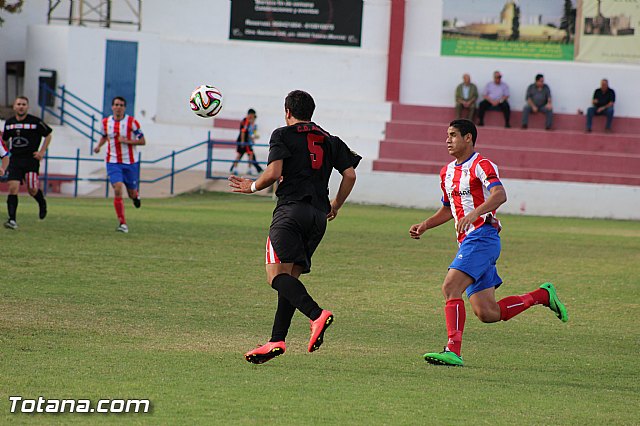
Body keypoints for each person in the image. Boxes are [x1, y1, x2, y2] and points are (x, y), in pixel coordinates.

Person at [409, 119, 568, 367]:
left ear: (468, 137)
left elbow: (500, 194)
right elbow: (448, 208)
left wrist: (475, 214)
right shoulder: (447, 172)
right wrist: (426, 225)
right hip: (468, 243)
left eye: (453, 135)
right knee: (488, 313)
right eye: (447, 135)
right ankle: (542, 296)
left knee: (450, 286)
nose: (448, 140)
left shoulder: (482, 165)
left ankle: (453, 350)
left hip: (482, 237)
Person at [229, 90, 360, 364]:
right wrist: (335, 204)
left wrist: (252, 186)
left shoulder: (282, 134)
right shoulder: (330, 139)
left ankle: (316, 314)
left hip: (290, 211)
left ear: (287, 111)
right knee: (290, 279)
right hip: (317, 217)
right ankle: (277, 339)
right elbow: (349, 174)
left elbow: (274, 173)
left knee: (275, 276)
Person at [93, 96, 145, 234]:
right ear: (112, 107)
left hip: (130, 162)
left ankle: (136, 196)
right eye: (116, 104)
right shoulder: (106, 122)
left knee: (131, 192)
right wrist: (98, 146)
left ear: (124, 108)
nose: (118, 107)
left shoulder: (132, 122)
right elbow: (105, 136)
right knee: (117, 188)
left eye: (121, 105)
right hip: (113, 161)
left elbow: (142, 141)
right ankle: (122, 223)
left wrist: (127, 141)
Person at [2, 96, 52, 230]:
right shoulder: (9, 123)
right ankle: (12, 220)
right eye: (18, 104)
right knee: (13, 188)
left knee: (32, 189)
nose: (21, 106)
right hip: (15, 160)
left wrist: (41, 152)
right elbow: (5, 140)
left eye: (24, 104)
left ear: (27, 107)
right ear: (14, 106)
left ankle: (41, 203)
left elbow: (48, 134)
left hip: (31, 160)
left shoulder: (35, 122)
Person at [229, 108, 263, 175]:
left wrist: (252, 139)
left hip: (247, 142)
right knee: (239, 155)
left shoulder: (250, 123)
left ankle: (249, 169)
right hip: (243, 141)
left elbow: (249, 133)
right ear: (251, 114)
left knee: (250, 154)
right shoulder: (245, 121)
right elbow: (243, 132)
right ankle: (234, 169)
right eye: (253, 115)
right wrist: (242, 142)